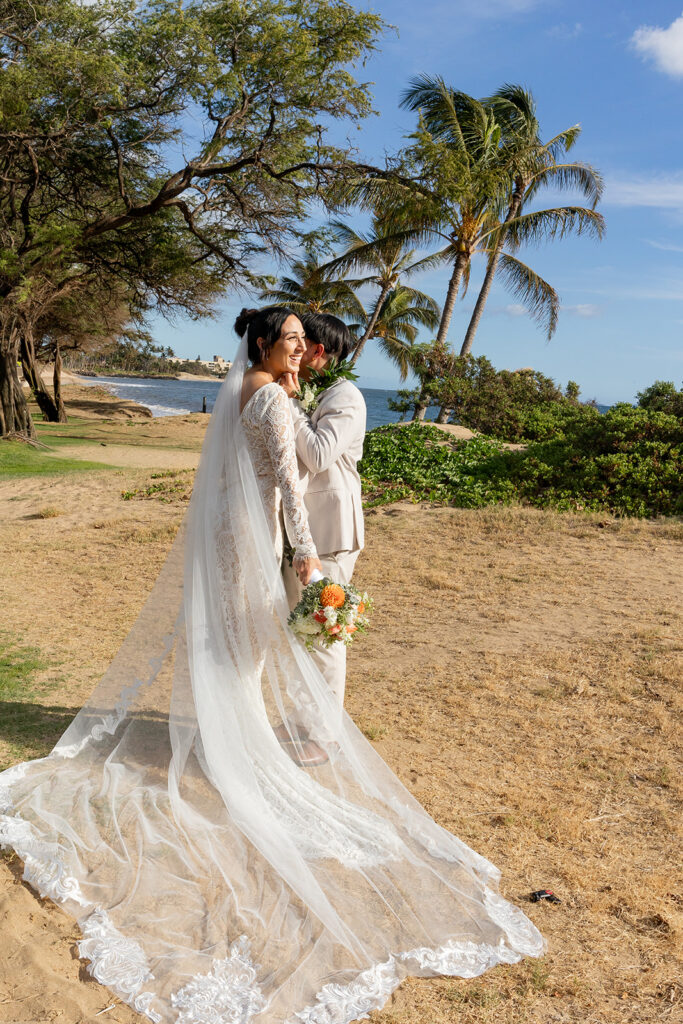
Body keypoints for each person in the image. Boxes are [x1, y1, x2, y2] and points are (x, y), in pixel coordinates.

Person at [0, 305, 544, 1024]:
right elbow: (288, 483)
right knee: (247, 651)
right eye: (288, 337)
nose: (299, 346)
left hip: (232, 531)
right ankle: (237, 757)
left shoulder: (244, 390)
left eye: (301, 339)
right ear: (263, 343)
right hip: (257, 541)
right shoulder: (272, 395)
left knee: (235, 651)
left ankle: (231, 745)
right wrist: (304, 550)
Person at [279, 313, 366, 767]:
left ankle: (327, 737)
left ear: (318, 351)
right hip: (304, 529)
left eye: (301, 343)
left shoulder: (345, 397)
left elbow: (317, 453)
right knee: (303, 630)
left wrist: (287, 405)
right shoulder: (323, 392)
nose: (293, 350)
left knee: (328, 634)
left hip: (331, 532)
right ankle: (304, 718)